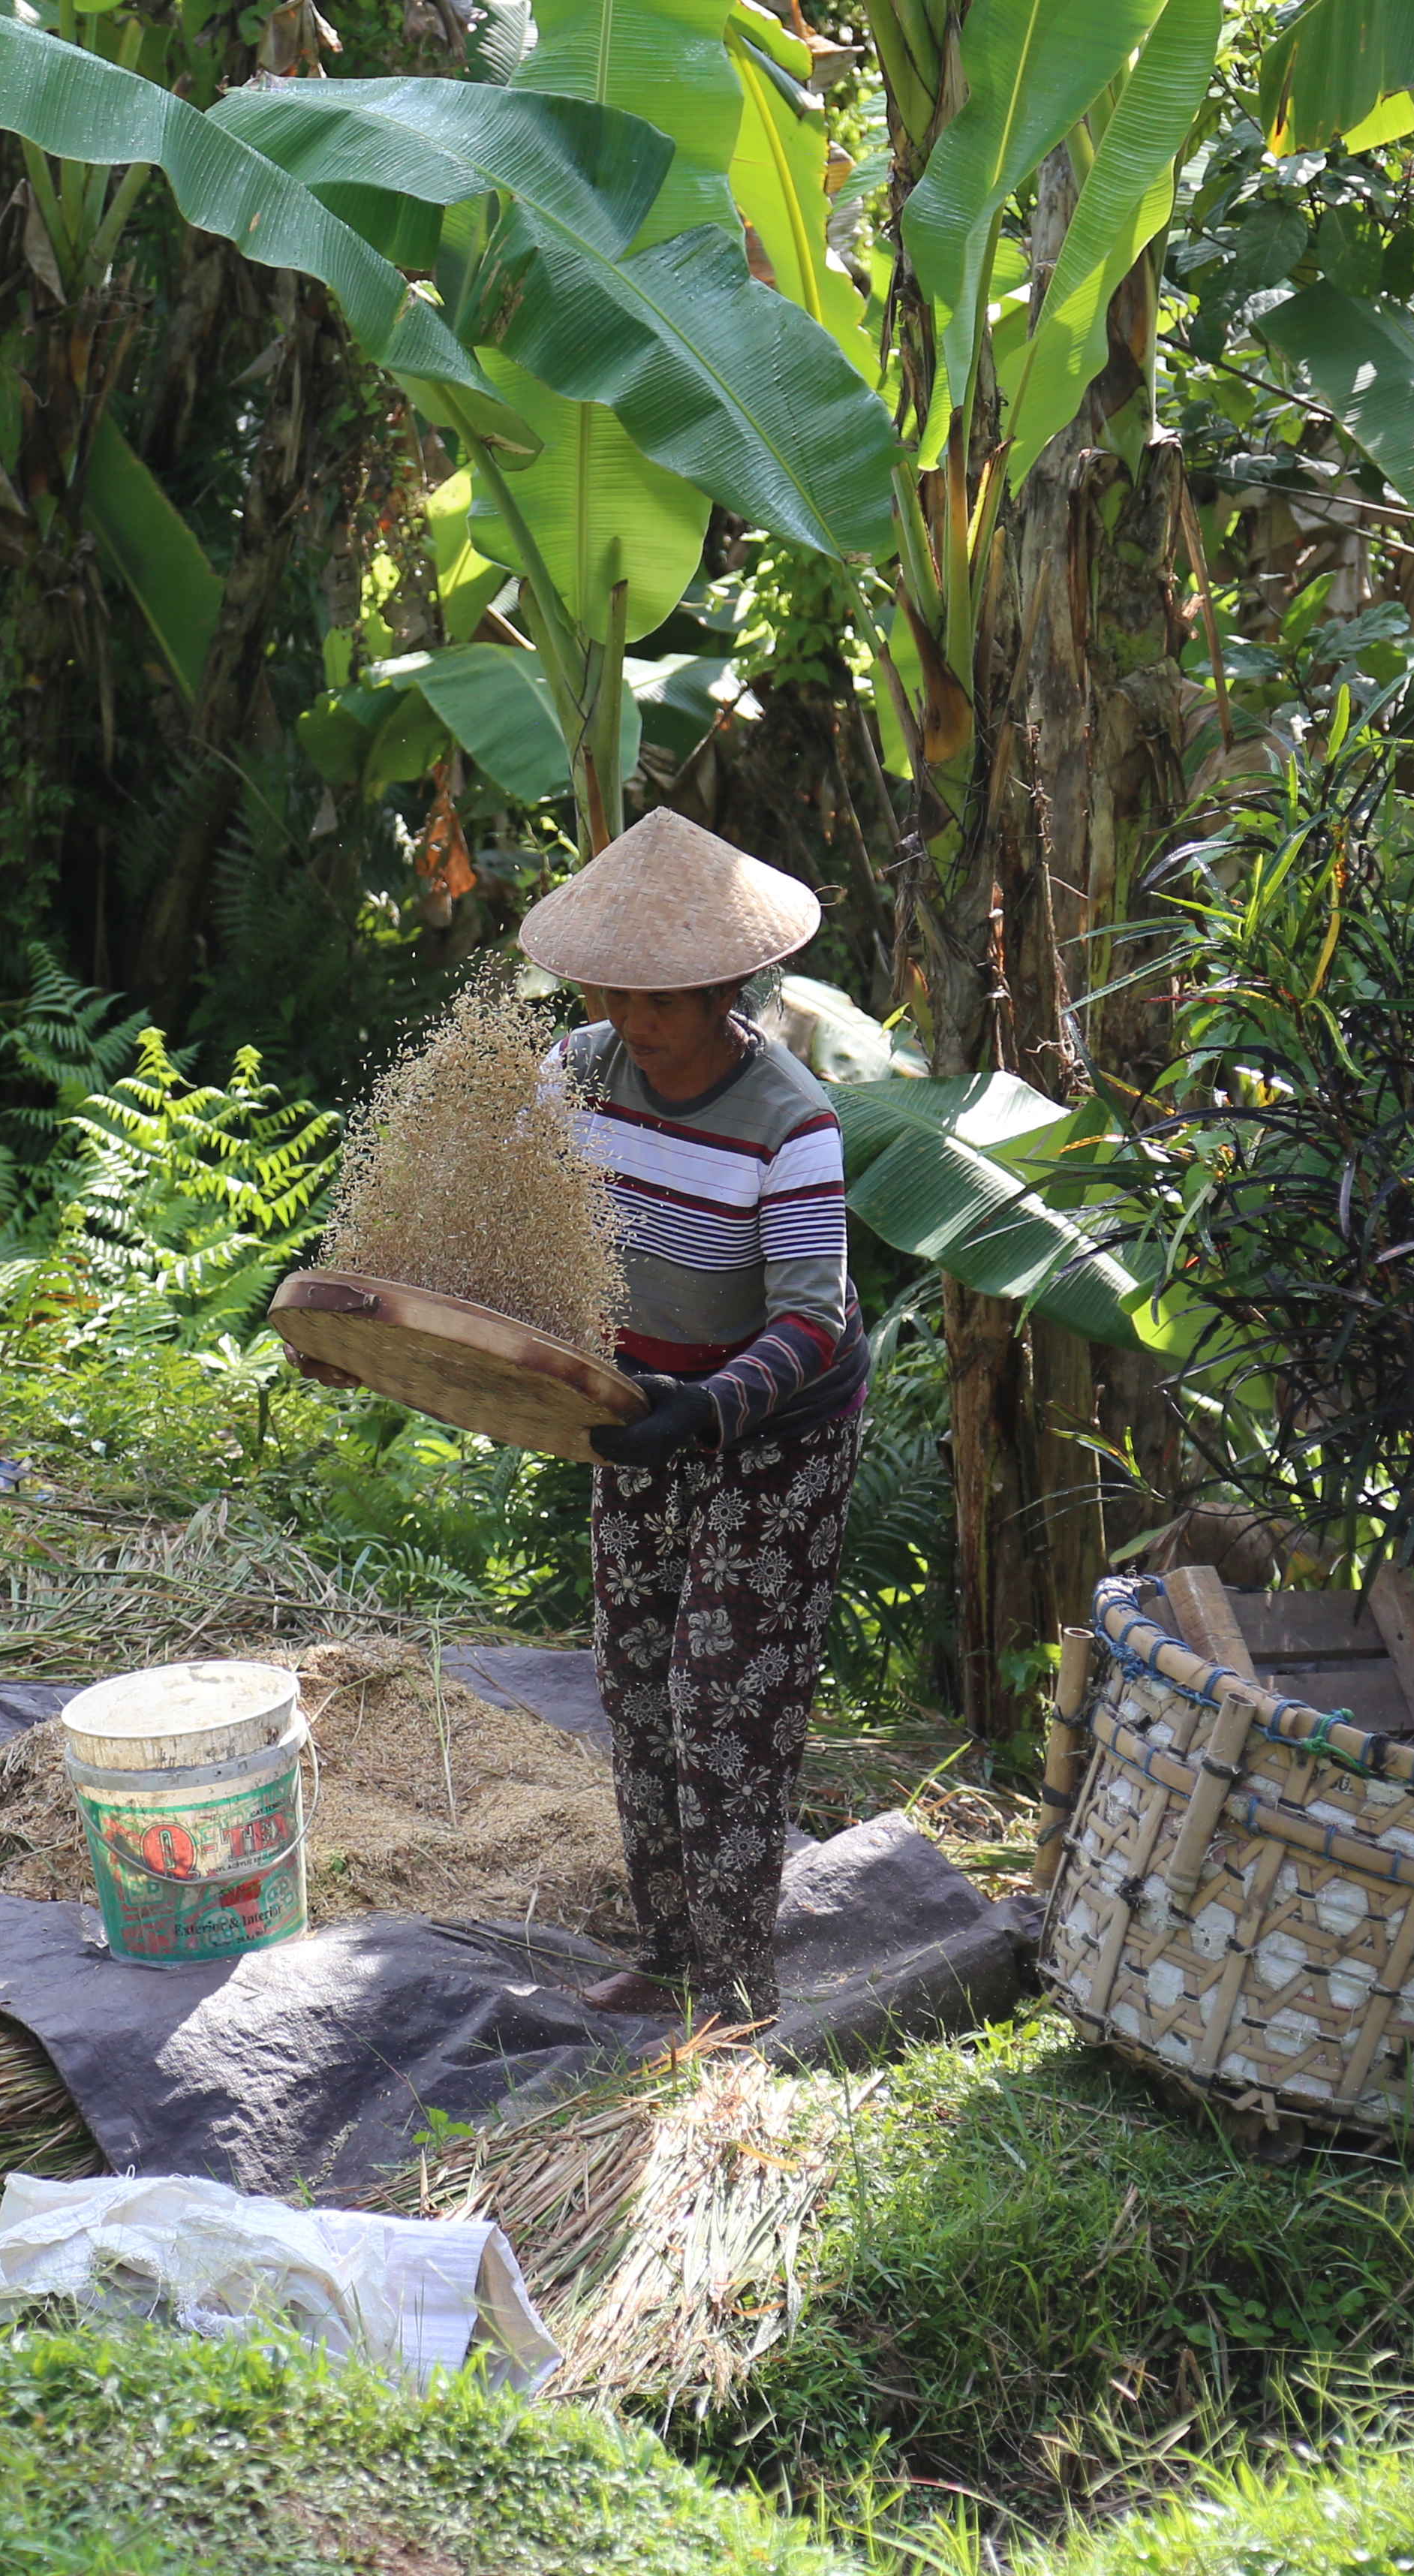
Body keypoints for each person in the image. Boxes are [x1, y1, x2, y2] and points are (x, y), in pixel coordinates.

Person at [515, 812, 870, 2026]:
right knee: (634, 1681)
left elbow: (812, 1322)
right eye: (613, 989)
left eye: (660, 997)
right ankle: (668, 1954)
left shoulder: (791, 1123)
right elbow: (504, 1226)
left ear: (728, 990)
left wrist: (708, 1411)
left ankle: (736, 1991)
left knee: (724, 1701)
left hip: (776, 1433)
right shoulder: (572, 1073)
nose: (630, 1015)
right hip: (637, 1407)